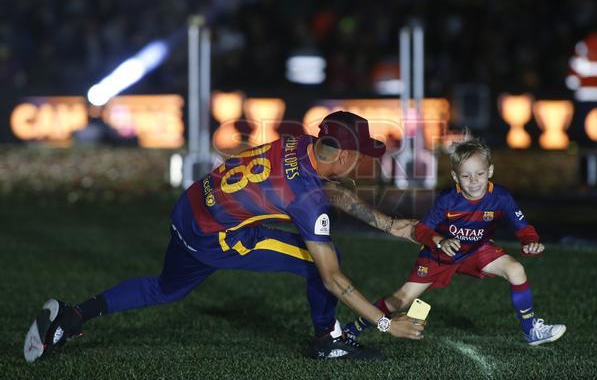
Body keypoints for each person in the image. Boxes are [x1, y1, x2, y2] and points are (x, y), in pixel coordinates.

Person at [23, 111, 424, 363]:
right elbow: (333, 278)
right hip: (219, 236)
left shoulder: (300, 144)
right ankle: (328, 340)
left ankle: (72, 315)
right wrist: (387, 325)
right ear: (342, 156)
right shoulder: (306, 196)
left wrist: (389, 224)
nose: (364, 162)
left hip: (190, 211)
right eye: (361, 156)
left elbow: (328, 190)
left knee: (166, 289)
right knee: (320, 261)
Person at [342, 138, 566, 346]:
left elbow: (523, 228)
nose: (474, 181)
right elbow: (422, 230)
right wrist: (439, 241)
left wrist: (531, 242)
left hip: (477, 250)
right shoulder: (448, 199)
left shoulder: (501, 197)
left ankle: (531, 331)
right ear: (456, 177)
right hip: (439, 255)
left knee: (516, 270)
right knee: (401, 300)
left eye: (479, 173)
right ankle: (352, 329)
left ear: (490, 171)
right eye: (466, 176)